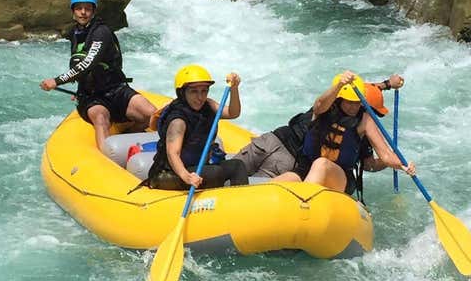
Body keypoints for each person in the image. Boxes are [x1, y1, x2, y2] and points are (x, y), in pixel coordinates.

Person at [39, 0, 156, 150]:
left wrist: (57, 81)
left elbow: (88, 63)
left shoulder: (102, 32)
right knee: (101, 117)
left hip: (116, 90)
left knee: (152, 114)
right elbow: (78, 63)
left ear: (93, 11)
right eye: (79, 8)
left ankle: (128, 136)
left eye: (88, 8)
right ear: (73, 11)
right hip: (92, 97)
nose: (83, 12)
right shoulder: (75, 33)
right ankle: (108, 158)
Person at [271, 71, 416, 194]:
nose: (354, 107)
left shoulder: (365, 119)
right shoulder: (324, 109)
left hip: (340, 177)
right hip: (305, 168)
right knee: (283, 181)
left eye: (357, 102)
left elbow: (384, 154)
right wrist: (340, 84)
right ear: (339, 99)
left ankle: (303, 205)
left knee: (321, 164)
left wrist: (402, 165)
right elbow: (320, 104)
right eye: (349, 102)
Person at [234, 74, 406, 178]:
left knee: (234, 179)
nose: (372, 116)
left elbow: (365, 87)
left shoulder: (335, 101)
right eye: (373, 113)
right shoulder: (334, 109)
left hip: (274, 141)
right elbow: (368, 164)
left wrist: (388, 84)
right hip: (286, 158)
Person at [145, 65, 249, 190]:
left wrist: (234, 89)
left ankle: (239, 204)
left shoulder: (208, 105)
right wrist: (187, 176)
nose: (200, 97)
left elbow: (233, 113)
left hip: (197, 167)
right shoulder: (178, 120)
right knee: (215, 173)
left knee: (237, 166)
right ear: (182, 93)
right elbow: (173, 153)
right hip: (169, 174)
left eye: (204, 91)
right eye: (194, 91)